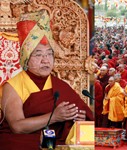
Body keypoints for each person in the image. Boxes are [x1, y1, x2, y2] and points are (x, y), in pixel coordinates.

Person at [0, 10, 93, 149]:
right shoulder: (12, 86)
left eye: (49, 54)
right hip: (23, 142)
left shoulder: (60, 85)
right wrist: (54, 116)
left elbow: (82, 117)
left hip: (55, 142)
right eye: (38, 55)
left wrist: (78, 117)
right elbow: (17, 127)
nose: (45, 60)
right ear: (26, 59)